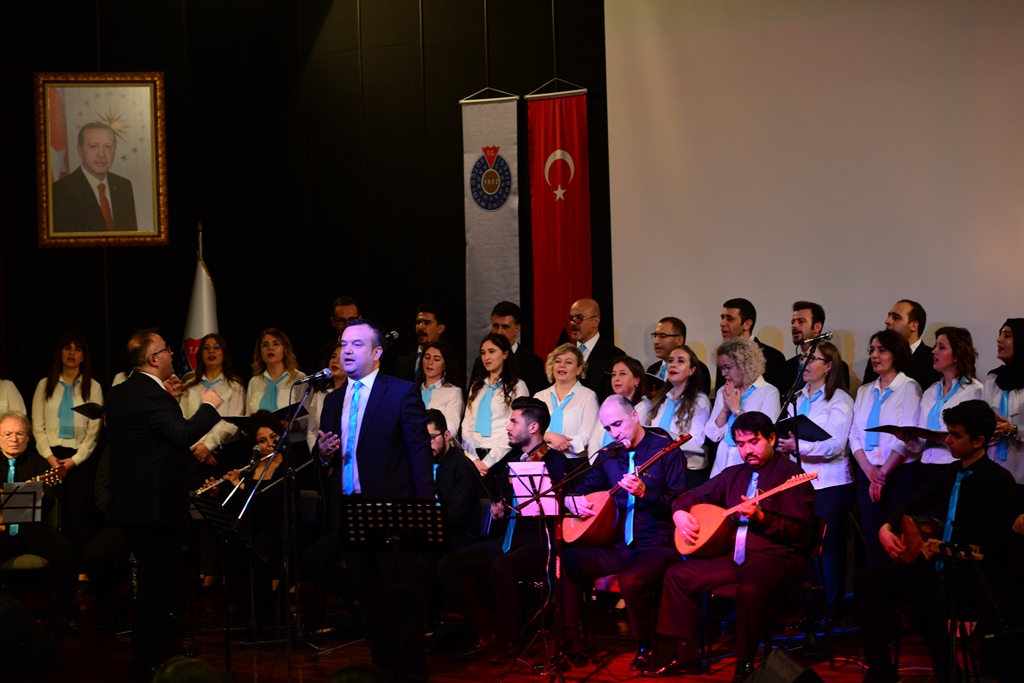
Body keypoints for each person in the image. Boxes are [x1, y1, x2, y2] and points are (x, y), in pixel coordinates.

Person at [854, 400, 1020, 683]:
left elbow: (1001, 543)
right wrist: (887, 525)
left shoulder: (998, 481)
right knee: (866, 581)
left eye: (956, 435)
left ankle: (949, 672)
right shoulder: (952, 473)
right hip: (944, 569)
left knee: (921, 607)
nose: (948, 440)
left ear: (978, 441)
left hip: (975, 576)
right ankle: (881, 673)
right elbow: (918, 501)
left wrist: (948, 550)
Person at [644, 412, 814, 683]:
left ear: (771, 439)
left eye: (754, 442)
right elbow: (694, 494)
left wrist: (761, 517)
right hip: (735, 558)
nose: (748, 450)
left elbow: (799, 531)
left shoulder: (792, 475)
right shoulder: (733, 474)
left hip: (776, 557)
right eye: (741, 444)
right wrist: (679, 511)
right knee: (677, 575)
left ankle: (744, 665)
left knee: (750, 588)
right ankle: (685, 655)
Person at [313, 319, 432, 683]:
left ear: (377, 353)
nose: (346, 351)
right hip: (350, 510)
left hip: (392, 511)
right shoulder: (333, 399)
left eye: (357, 344)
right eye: (343, 344)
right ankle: (382, 669)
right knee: (368, 597)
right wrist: (323, 454)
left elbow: (419, 453)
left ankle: (410, 674)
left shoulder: (400, 392)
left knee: (400, 596)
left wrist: (422, 511)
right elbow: (326, 456)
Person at [105, 329, 223, 678]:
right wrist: (209, 406)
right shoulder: (152, 396)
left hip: (132, 505)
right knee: (157, 587)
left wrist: (167, 398)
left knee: (153, 583)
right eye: (167, 349)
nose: (173, 353)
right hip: (157, 507)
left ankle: (160, 650)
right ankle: (149, 661)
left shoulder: (119, 392)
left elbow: (146, 433)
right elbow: (183, 434)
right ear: (153, 358)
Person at [438, 397, 573, 663]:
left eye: (513, 421)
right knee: (449, 565)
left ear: (533, 427)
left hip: (539, 541)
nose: (508, 427)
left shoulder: (556, 461)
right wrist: (501, 510)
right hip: (510, 538)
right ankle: (486, 631)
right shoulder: (511, 459)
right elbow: (509, 507)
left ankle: (508, 640)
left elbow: (559, 509)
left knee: (502, 566)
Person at [561, 395, 687, 670]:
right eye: (607, 428)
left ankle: (646, 647)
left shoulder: (666, 451)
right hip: (619, 545)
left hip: (657, 544)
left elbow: (679, 504)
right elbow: (581, 489)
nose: (614, 433)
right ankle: (570, 646)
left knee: (631, 579)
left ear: (634, 416)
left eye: (617, 424)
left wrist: (645, 493)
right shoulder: (609, 455)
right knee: (568, 561)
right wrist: (571, 501)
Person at [776, 341, 855, 616]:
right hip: (801, 482)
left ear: (828, 366)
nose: (804, 364)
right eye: (803, 359)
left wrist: (799, 446)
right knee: (803, 546)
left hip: (830, 482)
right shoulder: (796, 398)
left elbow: (837, 445)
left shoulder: (839, 399)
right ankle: (810, 610)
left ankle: (831, 611)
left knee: (828, 549)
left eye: (812, 359)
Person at [201, 411, 286, 632]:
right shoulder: (250, 467)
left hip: (277, 528)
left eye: (274, 437)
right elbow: (239, 506)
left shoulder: (286, 465)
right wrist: (218, 493)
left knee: (254, 557)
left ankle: (266, 620)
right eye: (262, 441)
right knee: (233, 552)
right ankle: (246, 616)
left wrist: (239, 485)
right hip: (252, 527)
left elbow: (268, 502)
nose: (270, 444)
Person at [0, 411, 80, 634]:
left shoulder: (39, 464)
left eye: (20, 434)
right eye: (7, 434)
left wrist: (42, 494)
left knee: (67, 556)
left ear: (28, 437)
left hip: (32, 528)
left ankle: (61, 613)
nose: (14, 439)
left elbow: (52, 501)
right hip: (2, 530)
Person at [849, 329, 923, 568]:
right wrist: (868, 469)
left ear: (896, 353)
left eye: (881, 350)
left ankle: (898, 590)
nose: (874, 355)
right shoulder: (864, 391)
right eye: (872, 350)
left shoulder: (909, 387)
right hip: (868, 473)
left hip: (898, 475)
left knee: (897, 542)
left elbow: (908, 436)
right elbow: (854, 435)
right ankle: (877, 588)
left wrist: (882, 474)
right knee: (872, 540)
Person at [31, 332, 103, 561]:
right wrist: (49, 457)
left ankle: (81, 569)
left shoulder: (93, 387)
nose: (72, 353)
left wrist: (75, 460)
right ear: (60, 353)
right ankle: (57, 568)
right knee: (53, 513)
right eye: (67, 347)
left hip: (79, 460)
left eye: (77, 349)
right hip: (50, 457)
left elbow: (94, 431)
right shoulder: (44, 385)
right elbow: (37, 427)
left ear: (83, 356)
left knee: (77, 515)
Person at [897, 327, 983, 489]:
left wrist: (940, 438)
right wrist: (909, 439)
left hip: (955, 466)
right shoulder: (930, 391)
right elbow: (921, 443)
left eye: (941, 347)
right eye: (935, 346)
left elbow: (974, 439)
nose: (934, 351)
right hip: (926, 466)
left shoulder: (974, 391)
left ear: (957, 355)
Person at [706, 337, 782, 477]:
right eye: (722, 368)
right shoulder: (724, 390)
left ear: (745, 364)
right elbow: (712, 435)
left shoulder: (769, 392)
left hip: (750, 468)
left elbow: (766, 438)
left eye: (728, 367)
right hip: (721, 465)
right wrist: (725, 410)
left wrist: (737, 409)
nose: (723, 373)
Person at [179, 333, 247, 481]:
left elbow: (233, 423)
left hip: (224, 454)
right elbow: (183, 420)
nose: (211, 351)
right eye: (206, 348)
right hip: (193, 452)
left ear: (224, 353)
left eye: (216, 347)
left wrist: (209, 445)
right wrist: (199, 447)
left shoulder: (235, 386)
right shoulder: (190, 387)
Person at [461, 333, 529, 478]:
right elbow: (467, 425)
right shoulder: (477, 387)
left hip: (502, 456)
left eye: (491, 351)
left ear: (505, 354)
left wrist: (488, 462)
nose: (486, 357)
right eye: (483, 353)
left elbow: (516, 427)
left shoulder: (518, 386)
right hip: (474, 458)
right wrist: (474, 458)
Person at [51, 122, 138, 232]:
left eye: (108, 147)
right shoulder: (59, 192)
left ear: (114, 150)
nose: (102, 154)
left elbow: (130, 237)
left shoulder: (124, 186)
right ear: (80, 150)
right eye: (93, 146)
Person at [645, 346, 712, 488]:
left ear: (692, 370)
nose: (673, 365)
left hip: (688, 471)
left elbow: (695, 440)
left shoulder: (699, 400)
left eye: (680, 361)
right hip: (662, 468)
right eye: (671, 361)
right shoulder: (662, 399)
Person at [534, 343, 600, 459]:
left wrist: (560, 444)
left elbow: (588, 436)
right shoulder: (539, 397)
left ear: (579, 369)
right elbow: (531, 432)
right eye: (557, 361)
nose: (562, 365)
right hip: (541, 460)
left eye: (568, 362)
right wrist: (549, 436)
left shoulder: (588, 396)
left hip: (574, 462)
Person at [985, 318, 1024, 506]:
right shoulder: (993, 378)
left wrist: (1014, 430)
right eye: (1000, 334)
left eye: (1007, 336)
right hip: (992, 473)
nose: (999, 340)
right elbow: (984, 415)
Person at [863, 299, 941, 389]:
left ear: (914, 325)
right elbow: (866, 391)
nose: (887, 321)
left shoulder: (932, 359)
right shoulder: (877, 358)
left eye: (896, 317)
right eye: (889, 316)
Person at [715, 298, 787, 393]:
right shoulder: (723, 356)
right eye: (722, 318)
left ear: (747, 324)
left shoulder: (773, 357)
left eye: (729, 319)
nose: (722, 323)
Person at [776, 301, 850, 393]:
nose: (794, 326)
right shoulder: (786, 368)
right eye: (793, 322)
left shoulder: (836, 367)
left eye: (801, 321)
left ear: (817, 327)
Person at [589, 356, 653, 456]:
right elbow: (594, 440)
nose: (616, 378)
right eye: (614, 375)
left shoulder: (644, 406)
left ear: (636, 380)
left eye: (622, 374)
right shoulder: (608, 405)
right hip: (602, 462)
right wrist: (598, 462)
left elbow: (634, 441)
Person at [568, 298, 625, 401]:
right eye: (571, 318)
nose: (573, 323)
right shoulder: (563, 354)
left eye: (579, 318)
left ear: (595, 322)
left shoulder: (615, 356)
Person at [488, 300, 548, 394]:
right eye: (495, 326)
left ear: (517, 329)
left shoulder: (532, 363)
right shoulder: (482, 362)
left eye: (505, 327)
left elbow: (536, 399)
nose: (499, 332)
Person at [246, 328, 306, 414]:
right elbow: (249, 416)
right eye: (265, 345)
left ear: (285, 349)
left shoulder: (299, 379)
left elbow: (308, 415)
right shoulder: (254, 382)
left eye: (276, 344)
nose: (270, 348)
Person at [646, 316, 711, 396]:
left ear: (679, 340)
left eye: (662, 336)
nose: (656, 341)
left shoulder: (699, 369)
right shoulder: (652, 370)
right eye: (655, 335)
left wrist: (659, 398)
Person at [418, 339, 464, 437]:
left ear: (445, 365)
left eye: (437, 359)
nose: (430, 362)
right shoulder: (412, 390)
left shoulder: (453, 392)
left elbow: (452, 427)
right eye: (427, 357)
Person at [306, 342, 346, 453]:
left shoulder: (354, 393)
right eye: (333, 357)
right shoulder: (320, 394)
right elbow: (312, 431)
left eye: (341, 358)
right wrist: (318, 455)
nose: (335, 361)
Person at [394, 304, 446, 383]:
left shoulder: (448, 360)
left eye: (427, 323)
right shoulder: (403, 362)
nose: (420, 327)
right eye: (418, 323)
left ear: (440, 329)